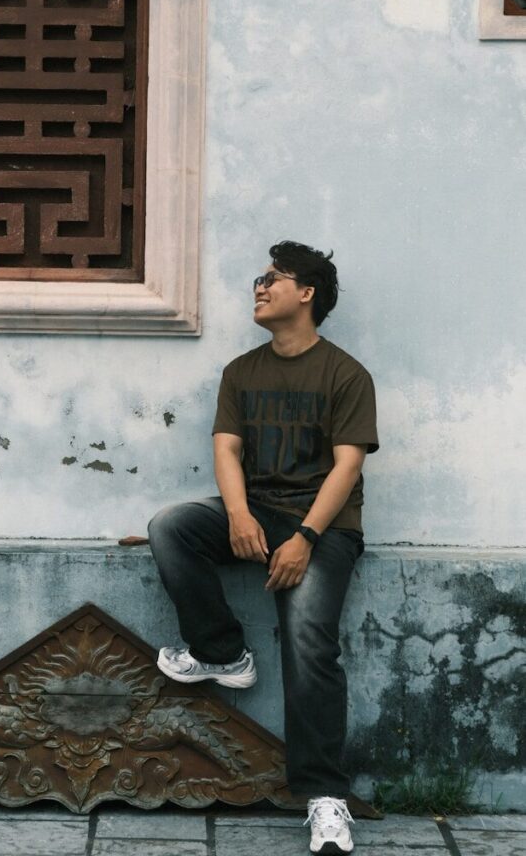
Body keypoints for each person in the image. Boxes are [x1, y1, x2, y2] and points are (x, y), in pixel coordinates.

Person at [148, 241, 378, 855]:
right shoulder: (241, 372)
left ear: (306, 293)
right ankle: (221, 653)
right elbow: (227, 450)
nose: (259, 286)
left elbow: (347, 465)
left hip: (324, 529)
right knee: (171, 526)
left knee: (309, 641)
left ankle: (325, 796)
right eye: (259, 277)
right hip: (259, 513)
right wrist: (241, 515)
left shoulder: (346, 374)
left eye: (272, 278)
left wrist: (305, 538)